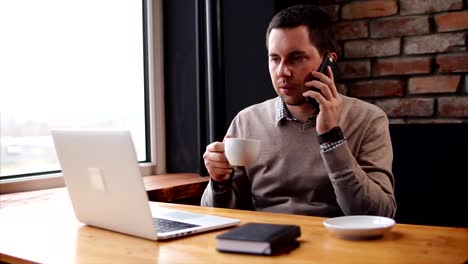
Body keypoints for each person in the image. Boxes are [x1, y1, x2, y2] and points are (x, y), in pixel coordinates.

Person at [200, 4, 396, 218]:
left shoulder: (368, 119)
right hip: (266, 241)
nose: (282, 71)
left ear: (328, 61)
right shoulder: (247, 120)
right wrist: (219, 183)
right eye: (274, 58)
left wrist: (331, 137)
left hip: (340, 245)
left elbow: (380, 213)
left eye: (297, 58)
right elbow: (215, 215)